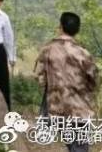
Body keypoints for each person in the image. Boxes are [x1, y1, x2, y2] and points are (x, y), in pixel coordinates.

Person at [35, 12, 98, 152]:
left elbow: (39, 77)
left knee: (71, 144)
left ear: (60, 27)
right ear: (77, 30)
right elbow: (93, 79)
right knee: (79, 146)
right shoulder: (83, 53)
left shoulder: (47, 50)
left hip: (56, 109)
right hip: (79, 108)